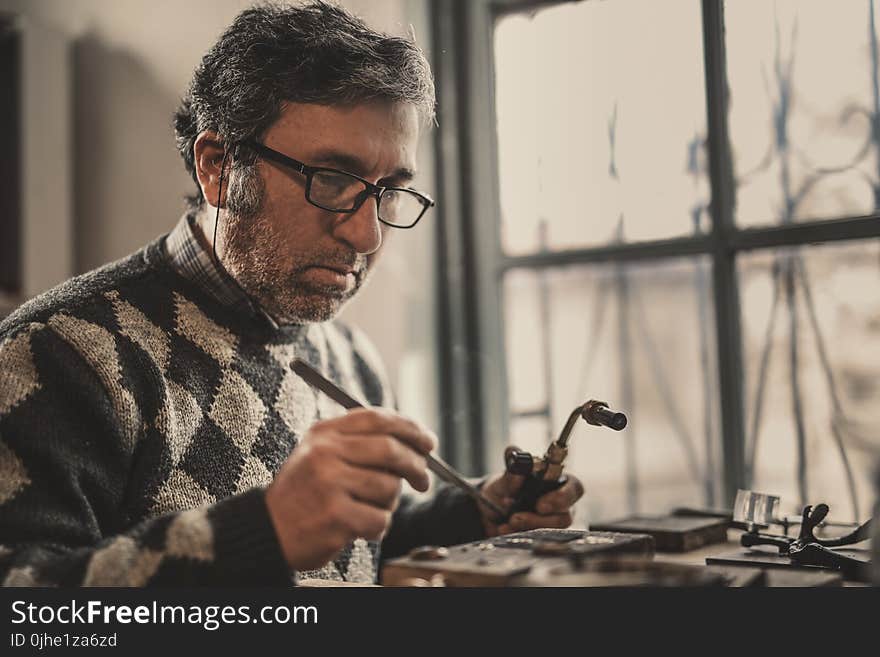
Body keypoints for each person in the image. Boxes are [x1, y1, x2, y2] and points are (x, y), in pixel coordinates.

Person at [0, 1, 583, 586]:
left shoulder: (349, 357)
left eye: (390, 192)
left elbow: (351, 548)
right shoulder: (57, 355)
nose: (367, 232)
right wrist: (262, 533)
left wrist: (470, 512)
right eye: (332, 179)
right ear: (218, 166)